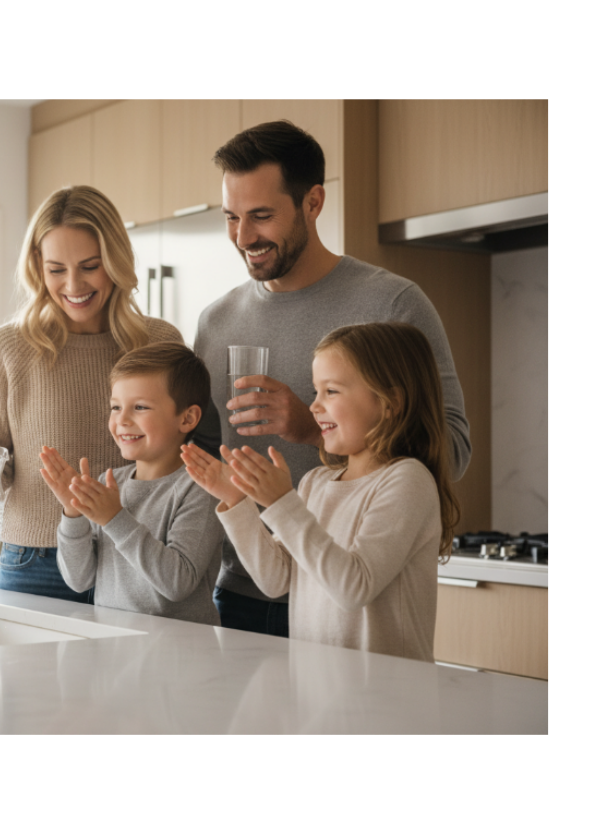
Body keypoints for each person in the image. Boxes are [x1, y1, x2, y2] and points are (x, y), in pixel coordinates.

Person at [195, 120, 472, 638]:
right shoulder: (216, 321)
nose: (243, 236)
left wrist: (310, 427)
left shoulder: (392, 303)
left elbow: (450, 446)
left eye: (261, 216)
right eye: (231, 217)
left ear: (313, 203)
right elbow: (206, 456)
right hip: (245, 586)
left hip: (351, 601)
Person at [0, 186, 183, 603]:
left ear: (116, 262)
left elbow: (188, 457)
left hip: (137, 555)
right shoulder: (10, 347)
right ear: (37, 267)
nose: (73, 285)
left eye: (90, 266)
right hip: (37, 562)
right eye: (56, 269)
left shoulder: (159, 343)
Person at [183, 323, 460, 662]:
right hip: (318, 693)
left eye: (331, 391)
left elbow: (353, 587)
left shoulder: (407, 481)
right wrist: (238, 501)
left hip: (386, 702)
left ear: (390, 402)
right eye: (316, 392)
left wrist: (282, 503)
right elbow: (275, 580)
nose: (314, 407)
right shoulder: (316, 482)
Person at [40, 342, 222, 625]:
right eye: (115, 407)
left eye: (140, 407)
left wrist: (114, 518)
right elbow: (79, 580)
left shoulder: (201, 489)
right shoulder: (110, 485)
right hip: (114, 652)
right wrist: (73, 512)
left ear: (187, 418)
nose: (122, 420)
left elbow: (177, 583)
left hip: (181, 657)